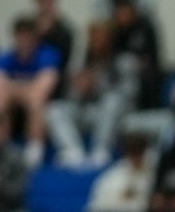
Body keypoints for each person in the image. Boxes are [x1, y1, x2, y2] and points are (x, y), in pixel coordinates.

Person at [47, 21, 134, 170]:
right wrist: (79, 89)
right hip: (88, 112)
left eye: (100, 36)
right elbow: (71, 98)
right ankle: (72, 151)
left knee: (111, 101)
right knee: (55, 109)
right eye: (93, 37)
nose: (96, 41)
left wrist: (97, 84)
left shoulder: (122, 61)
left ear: (109, 38)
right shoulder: (80, 62)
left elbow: (129, 93)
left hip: (116, 116)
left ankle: (101, 150)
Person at [0, 17, 62, 168]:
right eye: (20, 35)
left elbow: (45, 86)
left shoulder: (47, 54)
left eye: (28, 35)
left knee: (37, 100)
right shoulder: (5, 57)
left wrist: (13, 88)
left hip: (37, 101)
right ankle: (1, 146)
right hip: (15, 98)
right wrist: (25, 89)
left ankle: (34, 150)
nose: (24, 40)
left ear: (35, 37)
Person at [106, 0, 165, 115]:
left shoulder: (145, 28)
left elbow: (152, 60)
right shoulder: (113, 32)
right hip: (117, 85)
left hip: (143, 84)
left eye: (126, 11)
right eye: (120, 12)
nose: (123, 16)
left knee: (128, 64)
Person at [29, 0, 76, 72]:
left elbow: (65, 58)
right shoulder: (29, 27)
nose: (45, 6)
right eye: (42, 1)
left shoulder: (65, 28)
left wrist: (50, 33)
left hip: (56, 73)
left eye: (48, 1)